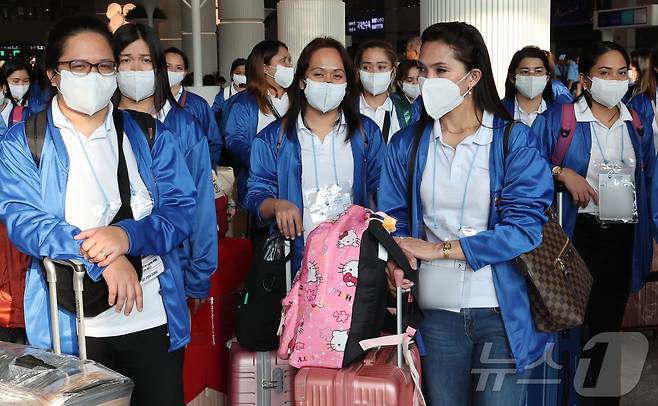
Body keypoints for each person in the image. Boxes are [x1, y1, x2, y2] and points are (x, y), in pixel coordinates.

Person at [0, 16, 197, 404]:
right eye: (79, 66)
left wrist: (126, 236)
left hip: (153, 315)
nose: (94, 75)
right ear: (54, 74)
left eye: (105, 66)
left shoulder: (147, 133)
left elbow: (180, 210)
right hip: (70, 324)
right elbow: (23, 220)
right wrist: (103, 256)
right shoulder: (24, 140)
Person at [379, 22, 553, 405]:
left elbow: (524, 230)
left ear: (473, 77)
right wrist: (398, 259)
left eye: (442, 71)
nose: (428, 80)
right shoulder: (407, 145)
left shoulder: (512, 142)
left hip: (498, 308)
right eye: (423, 70)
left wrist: (437, 250)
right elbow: (392, 220)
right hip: (435, 310)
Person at [532, 41, 654, 406]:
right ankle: (566, 398)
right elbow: (529, 165)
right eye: (604, 73)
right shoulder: (561, 118)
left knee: (607, 330)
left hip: (622, 235)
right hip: (575, 236)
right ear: (585, 80)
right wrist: (561, 172)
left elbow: (651, 181)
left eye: (621, 73)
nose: (614, 81)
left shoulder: (636, 123)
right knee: (569, 327)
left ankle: (602, 401)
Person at [245, 37, 384, 275]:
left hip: (353, 262)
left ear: (346, 83)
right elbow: (256, 193)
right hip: (297, 260)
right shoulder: (273, 138)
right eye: (319, 74)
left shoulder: (366, 133)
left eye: (337, 76)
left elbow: (382, 188)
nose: (328, 82)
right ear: (301, 81)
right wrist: (277, 205)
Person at [113, 23, 217, 323]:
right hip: (109, 269)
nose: (135, 68)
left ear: (158, 67)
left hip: (171, 267)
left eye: (145, 60)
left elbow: (201, 208)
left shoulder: (184, 128)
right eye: (125, 59)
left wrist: (199, 274)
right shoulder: (102, 125)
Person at [223, 40, 293, 208]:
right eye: (283, 61)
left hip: (297, 183)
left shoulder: (299, 98)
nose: (290, 65)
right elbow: (235, 141)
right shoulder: (244, 103)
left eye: (290, 60)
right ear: (265, 68)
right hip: (263, 186)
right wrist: (266, 162)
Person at [165, 46, 222, 167]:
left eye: (178, 68)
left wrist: (203, 170)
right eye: (167, 67)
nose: (173, 72)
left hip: (191, 175)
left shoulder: (198, 105)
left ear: (185, 73)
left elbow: (213, 142)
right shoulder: (149, 103)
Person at [502, 46, 572, 127]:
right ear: (512, 78)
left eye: (538, 71)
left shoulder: (560, 114)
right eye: (525, 72)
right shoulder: (499, 113)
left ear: (547, 77)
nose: (532, 77)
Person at [355, 40, 409, 143]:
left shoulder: (406, 112)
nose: (374, 72)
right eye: (366, 67)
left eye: (381, 67)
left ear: (392, 72)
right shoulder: (347, 111)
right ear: (358, 72)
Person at [626, 49, 657, 151]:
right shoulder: (648, 91)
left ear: (638, 69)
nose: (628, 71)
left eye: (630, 68)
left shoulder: (641, 99)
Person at [0, 59, 32, 134]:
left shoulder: (34, 107)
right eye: (16, 81)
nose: (21, 85)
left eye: (26, 81)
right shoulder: (4, 109)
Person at [392, 59, 421, 127]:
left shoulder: (424, 102)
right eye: (409, 80)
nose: (415, 83)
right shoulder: (393, 103)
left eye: (418, 79)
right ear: (399, 83)